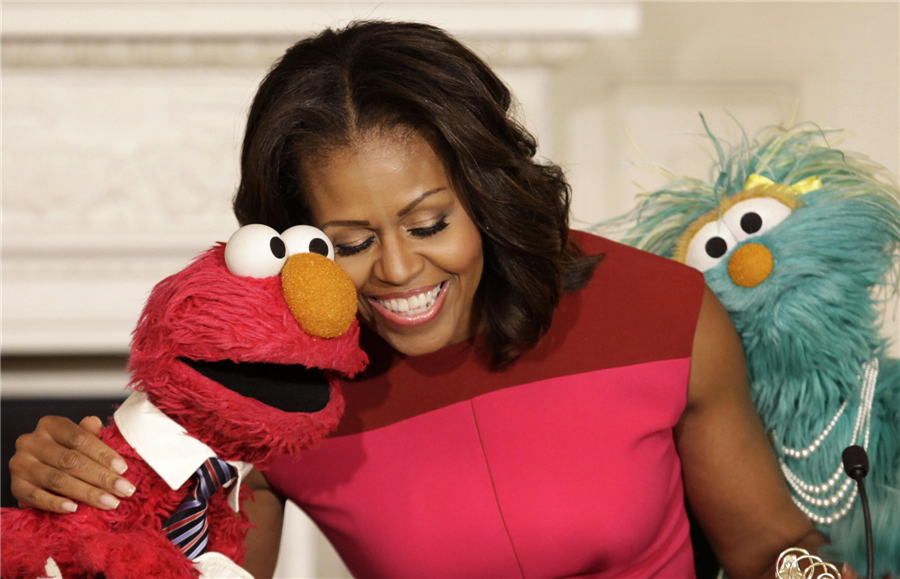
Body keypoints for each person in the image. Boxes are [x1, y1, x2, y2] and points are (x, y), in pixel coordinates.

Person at [9, 20, 838, 579]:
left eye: (430, 221)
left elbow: (770, 543)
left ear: (486, 192)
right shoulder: (271, 391)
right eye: (349, 242)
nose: (399, 270)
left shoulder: (660, 311)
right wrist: (73, 482)